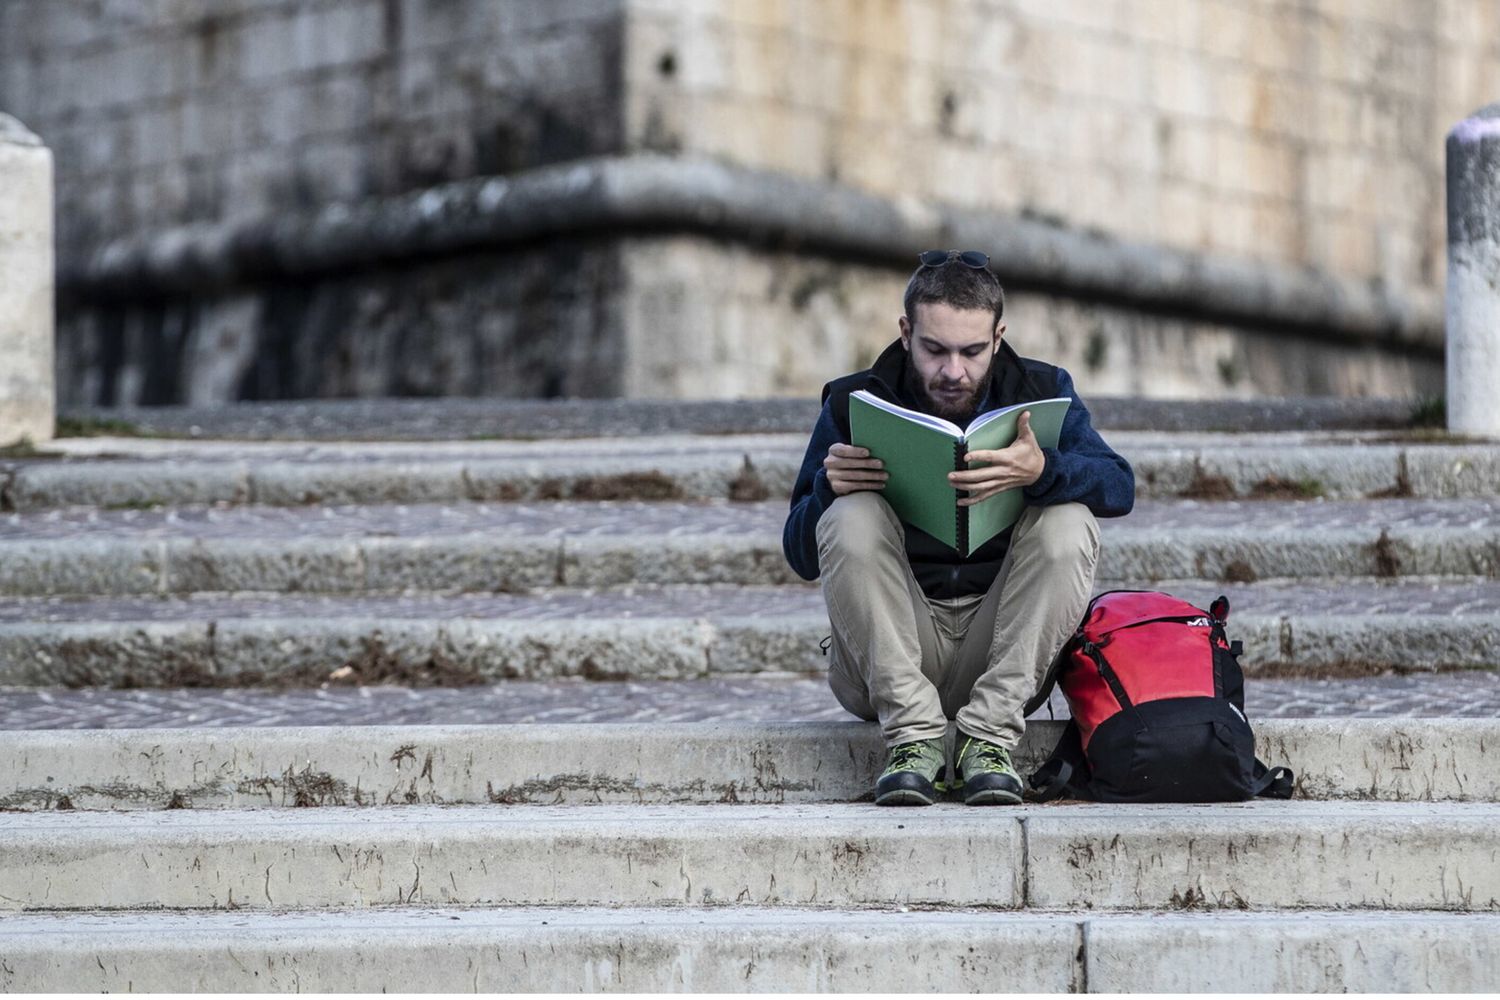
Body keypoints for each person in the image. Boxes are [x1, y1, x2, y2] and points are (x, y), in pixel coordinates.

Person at [782, 249, 1135, 806]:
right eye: (934, 349)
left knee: (1069, 519)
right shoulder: (855, 401)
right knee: (849, 516)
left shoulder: (1041, 388)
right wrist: (830, 486)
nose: (953, 371)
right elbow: (800, 554)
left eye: (972, 351)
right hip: (887, 656)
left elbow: (1120, 487)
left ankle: (987, 739)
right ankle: (914, 742)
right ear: (905, 333)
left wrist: (1045, 469)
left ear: (999, 337)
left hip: (1001, 653)